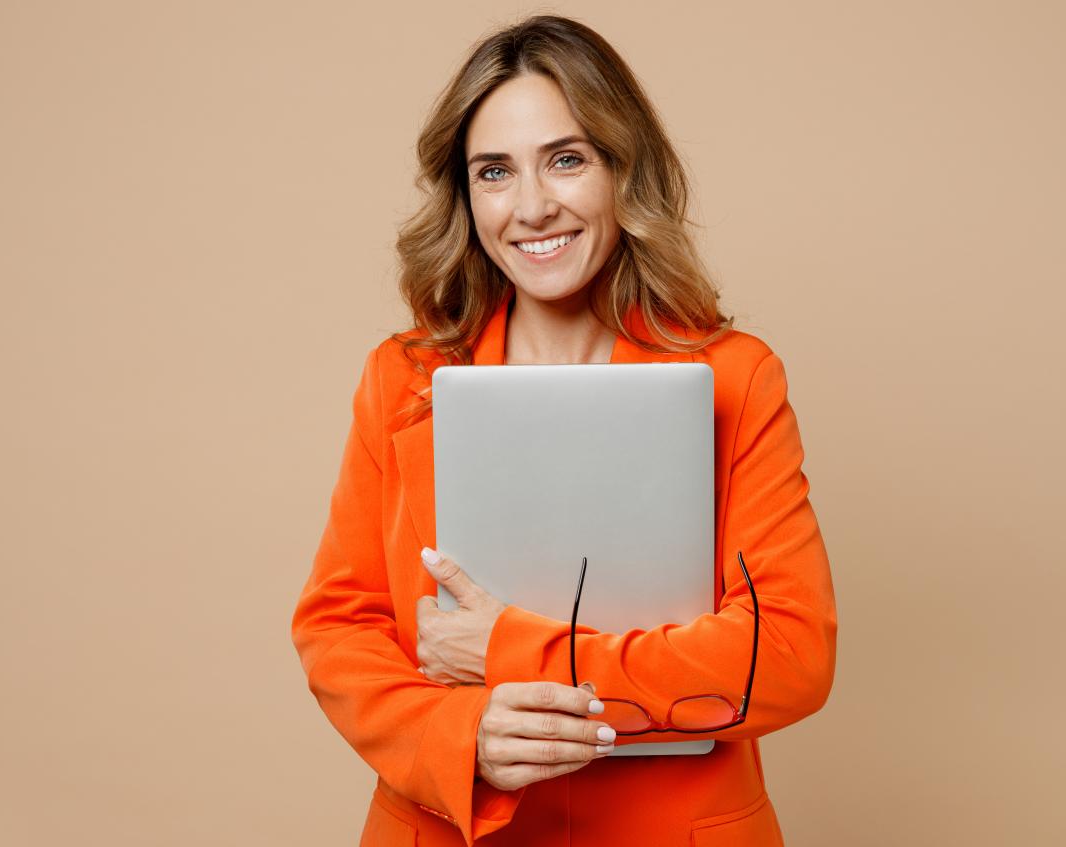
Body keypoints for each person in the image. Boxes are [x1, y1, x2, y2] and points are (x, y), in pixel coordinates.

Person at [291, 14, 837, 847]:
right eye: (495, 172)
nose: (533, 206)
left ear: (625, 169)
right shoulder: (401, 378)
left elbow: (789, 653)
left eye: (568, 158)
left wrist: (512, 649)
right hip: (455, 826)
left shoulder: (738, 376)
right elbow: (338, 625)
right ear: (466, 197)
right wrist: (459, 736)